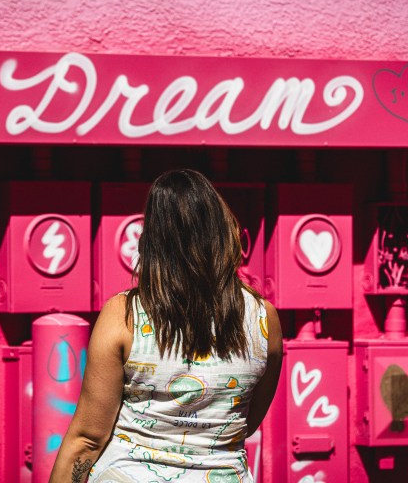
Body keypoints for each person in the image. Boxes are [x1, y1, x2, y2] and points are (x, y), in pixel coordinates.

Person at [48, 169, 282, 483]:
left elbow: (89, 438)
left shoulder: (125, 314)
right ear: (223, 231)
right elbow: (247, 422)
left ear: (153, 240)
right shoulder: (263, 318)